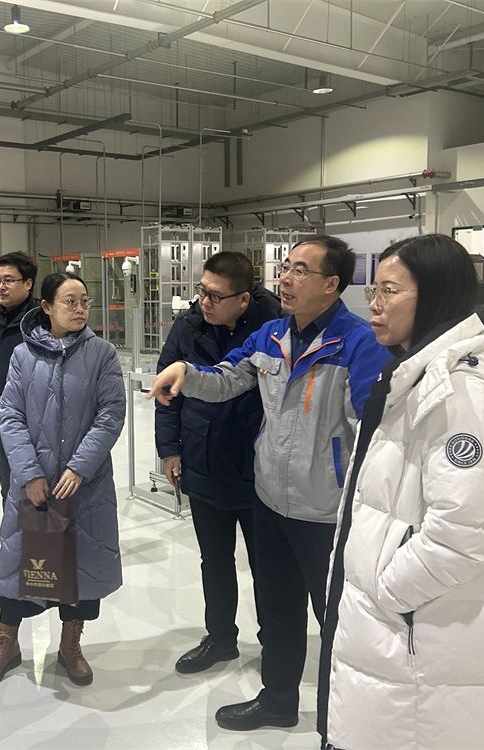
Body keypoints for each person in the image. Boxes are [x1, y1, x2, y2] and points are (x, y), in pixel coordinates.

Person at [148, 236, 390, 732]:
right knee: (278, 611)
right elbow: (225, 380)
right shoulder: (271, 336)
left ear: (331, 284)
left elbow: (375, 431)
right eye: (286, 268)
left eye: (301, 270)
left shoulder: (358, 343)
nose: (286, 278)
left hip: (325, 511)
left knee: (338, 619)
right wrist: (185, 373)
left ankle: (347, 718)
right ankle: (278, 701)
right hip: (270, 501)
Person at [322, 234, 484, 750]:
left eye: (390, 291)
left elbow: (460, 538)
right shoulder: (415, 373)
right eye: (373, 290)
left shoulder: (460, 393)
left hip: (420, 633)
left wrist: (386, 590)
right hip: (408, 632)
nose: (375, 305)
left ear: (436, 295)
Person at [0, 272, 126, 689]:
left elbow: (111, 414)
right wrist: (28, 472)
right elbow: (10, 415)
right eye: (69, 302)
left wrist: (79, 467)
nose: (79, 309)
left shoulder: (102, 354)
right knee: (19, 564)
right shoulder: (23, 356)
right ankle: (7, 644)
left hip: (85, 485)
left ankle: (71, 645)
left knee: (81, 567)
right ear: (46, 307)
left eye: (84, 301)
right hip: (34, 486)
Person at [154, 251, 280, 675]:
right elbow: (166, 394)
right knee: (215, 560)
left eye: (215, 296)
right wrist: (170, 450)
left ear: (243, 299)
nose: (204, 302)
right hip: (203, 456)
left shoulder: (274, 328)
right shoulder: (187, 326)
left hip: (259, 466)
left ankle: (275, 643)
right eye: (202, 292)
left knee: (268, 566)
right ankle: (221, 638)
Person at [0, 252, 40, 580]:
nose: (1, 287)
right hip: (3, 423)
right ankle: (13, 553)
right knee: (9, 490)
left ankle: (43, 555)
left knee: (39, 489)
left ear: (28, 283)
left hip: (40, 424)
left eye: (9, 281)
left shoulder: (43, 321)